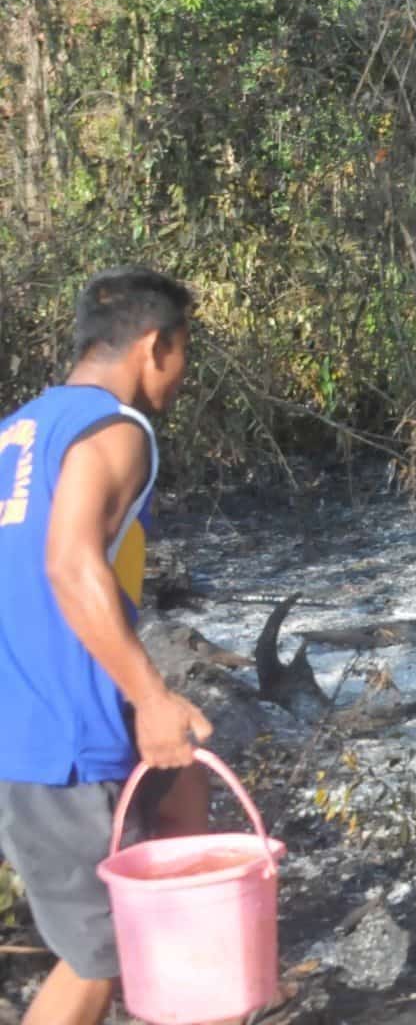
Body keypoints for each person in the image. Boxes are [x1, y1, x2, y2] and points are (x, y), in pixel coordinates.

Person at [0, 269, 212, 1025]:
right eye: (183, 352)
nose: (183, 375)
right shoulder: (117, 430)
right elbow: (68, 564)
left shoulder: (20, 431)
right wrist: (152, 698)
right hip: (56, 738)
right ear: (154, 345)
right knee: (100, 955)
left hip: (41, 714)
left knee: (187, 788)